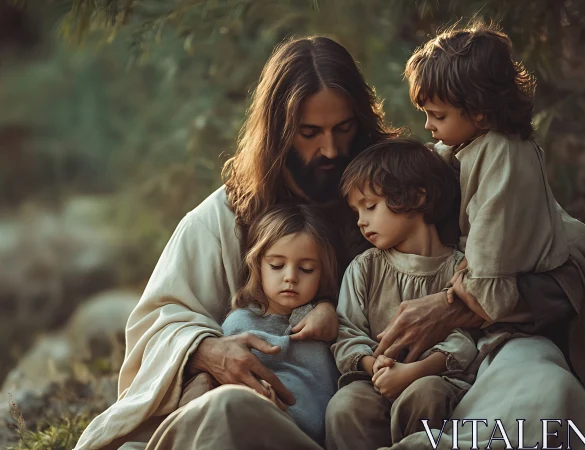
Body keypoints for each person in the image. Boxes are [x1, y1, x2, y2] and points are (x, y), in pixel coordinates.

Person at [74, 35, 402, 450]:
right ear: (280, 132)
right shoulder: (223, 217)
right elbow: (155, 323)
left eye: (344, 128)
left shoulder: (397, 191)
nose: (332, 149)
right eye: (309, 132)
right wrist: (208, 350)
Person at [361, 22, 585, 448]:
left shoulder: (504, 158)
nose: (427, 126)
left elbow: (488, 287)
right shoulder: (467, 146)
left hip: (512, 333)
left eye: (437, 116)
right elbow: (429, 165)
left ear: (479, 112)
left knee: (535, 403)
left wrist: (451, 293)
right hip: (470, 338)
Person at [327, 138, 478, 450]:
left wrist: (415, 372)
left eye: (370, 206)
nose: (361, 220)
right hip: (374, 382)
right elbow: (347, 332)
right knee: (345, 406)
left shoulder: (459, 270)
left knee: (426, 394)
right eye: (356, 211)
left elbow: (466, 336)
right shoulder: (364, 268)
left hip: (435, 379)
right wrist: (374, 366)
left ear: (416, 196)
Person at [218, 204, 340, 445]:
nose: (291, 277)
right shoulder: (240, 323)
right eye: (276, 265)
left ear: (323, 273)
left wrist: (328, 310)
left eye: (306, 269)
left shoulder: (329, 322)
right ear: (257, 265)